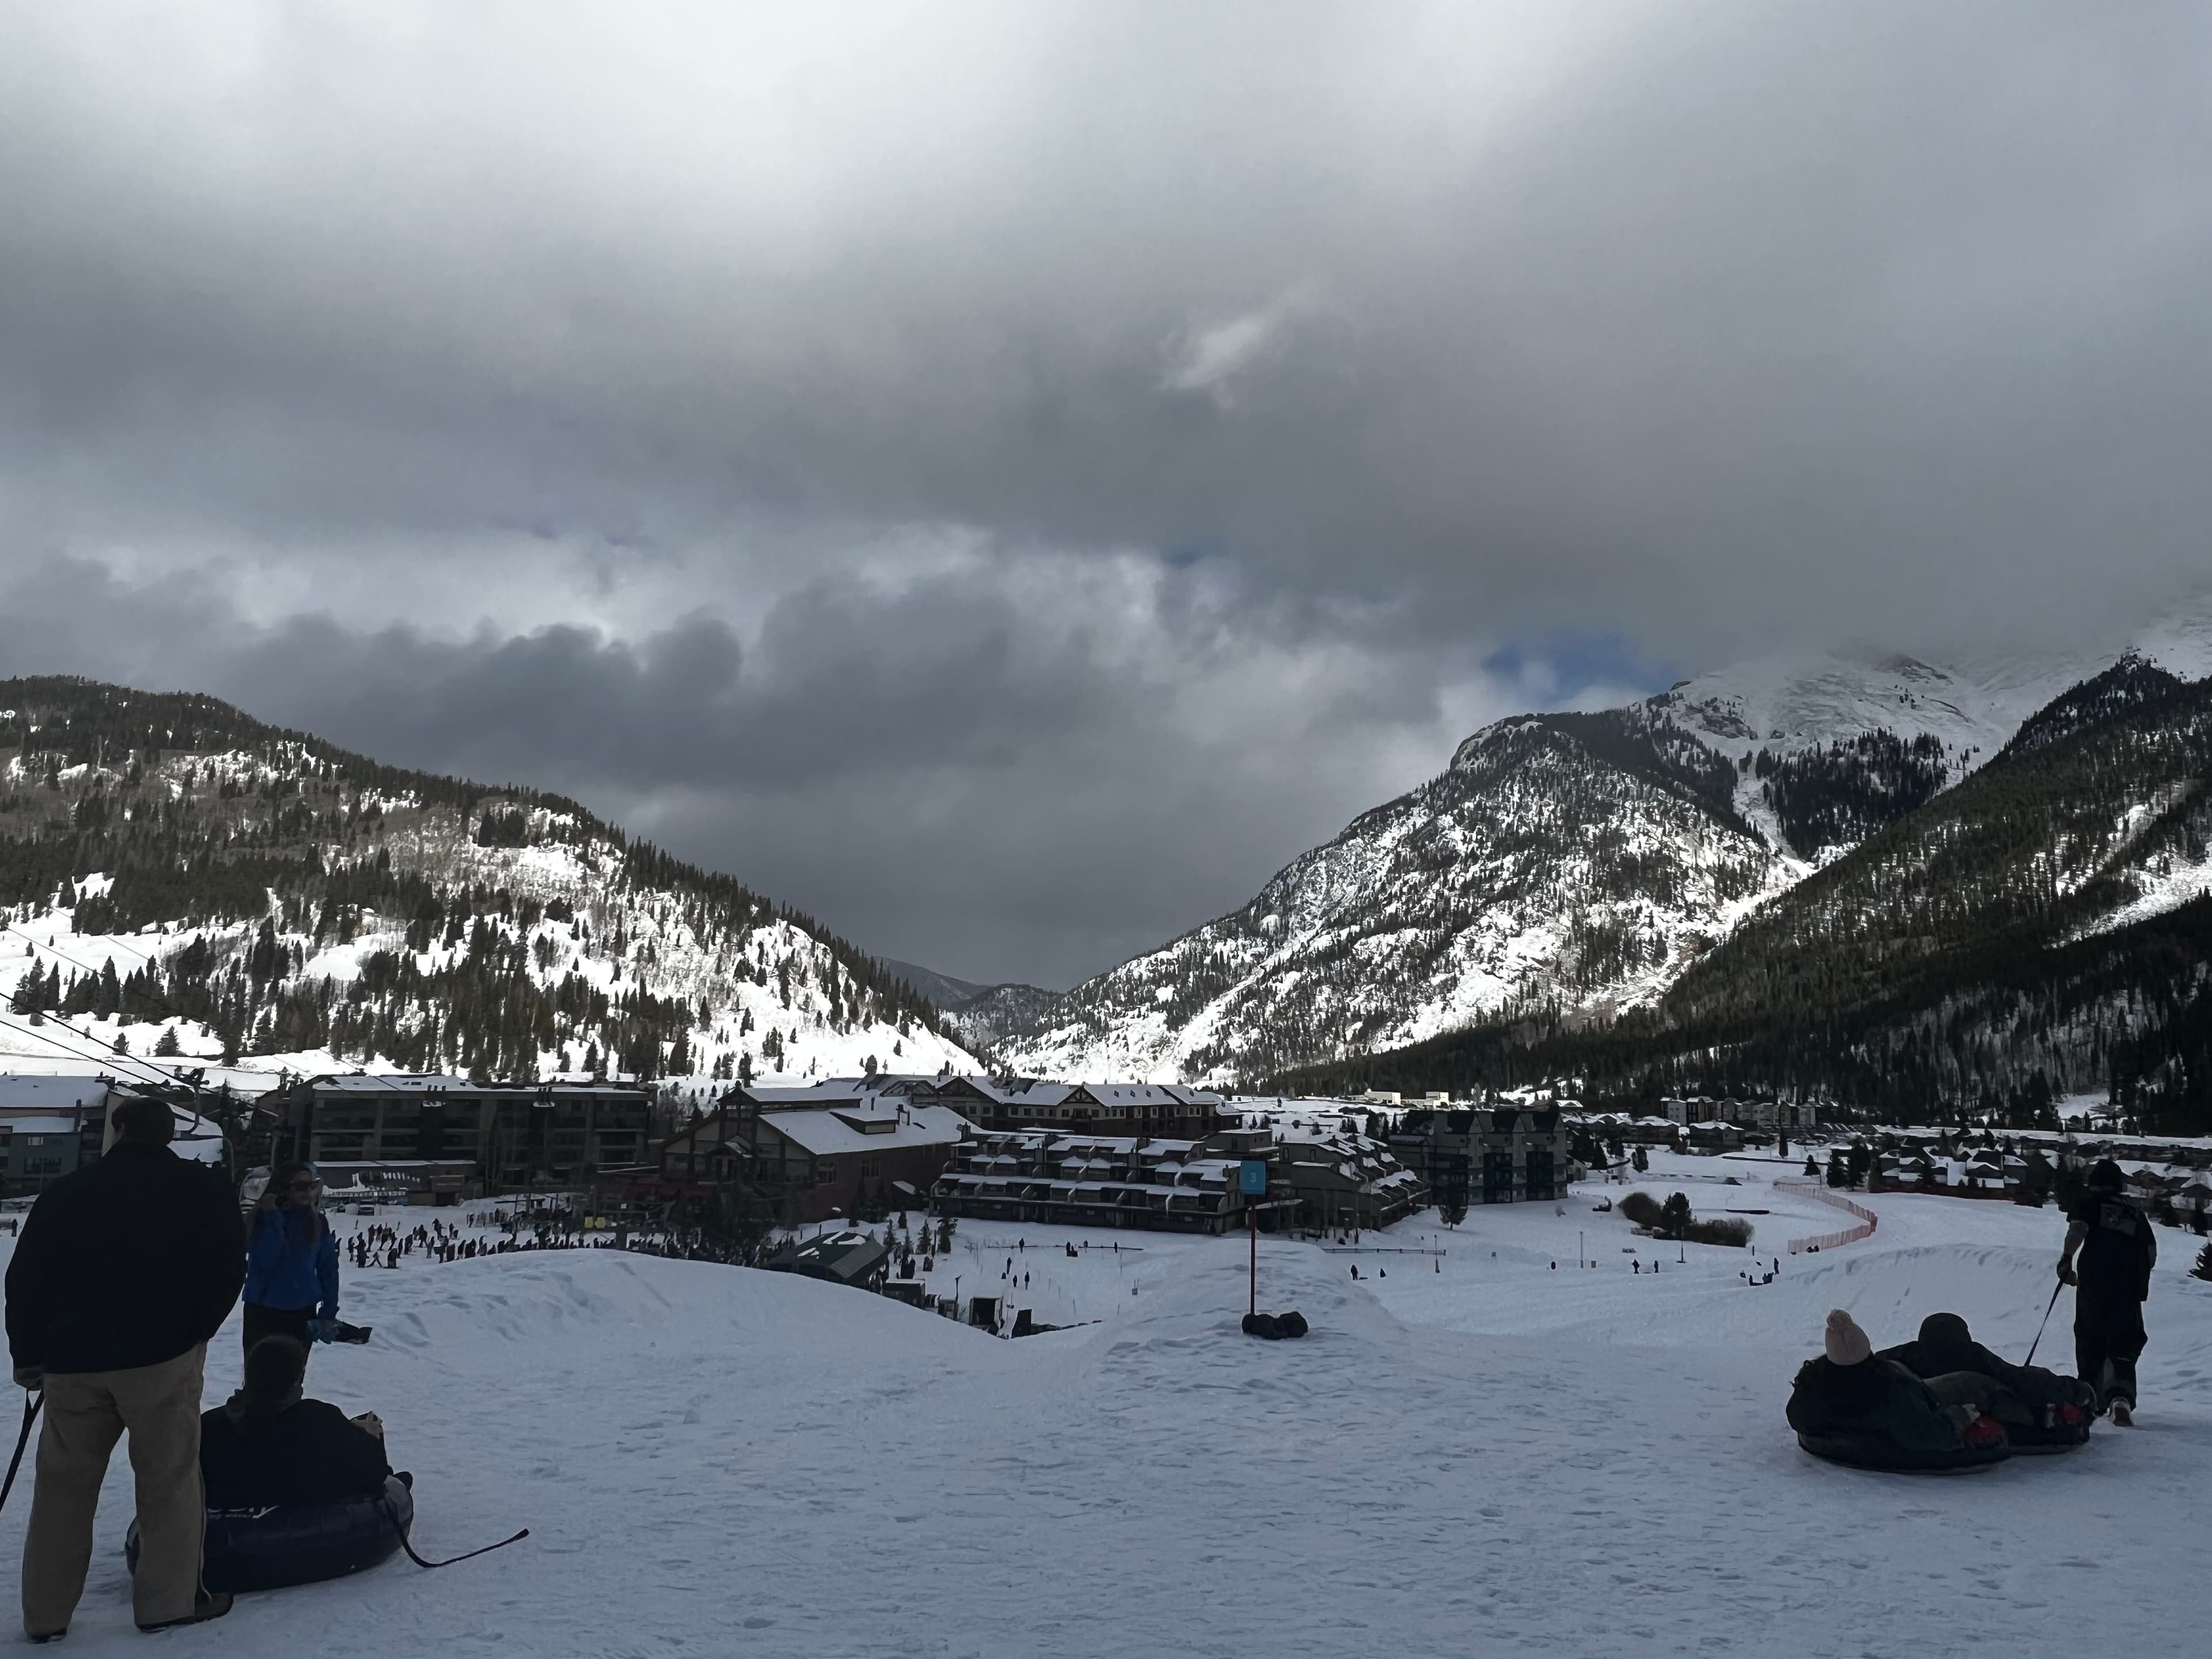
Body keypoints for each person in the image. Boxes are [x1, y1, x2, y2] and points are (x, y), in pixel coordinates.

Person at [4, 1095, 245, 1638]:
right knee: (169, 1483)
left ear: (118, 1132)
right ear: (167, 1136)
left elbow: (25, 1277)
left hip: (73, 1364)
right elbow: (231, 1264)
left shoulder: (68, 1191)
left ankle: (45, 1617)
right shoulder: (203, 1190)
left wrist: (28, 1354)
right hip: (163, 1359)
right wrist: (198, 1327)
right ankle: (166, 1604)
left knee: (61, 1494)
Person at [200, 1338, 391, 1510]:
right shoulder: (319, 1421)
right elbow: (374, 1475)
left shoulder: (210, 1425)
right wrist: (371, 1439)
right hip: (303, 1535)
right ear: (298, 1378)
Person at [1787, 1309, 2005, 1460]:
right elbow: (1924, 1432)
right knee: (1970, 1383)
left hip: (1907, 1398)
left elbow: (1797, 1414)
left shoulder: (1815, 1384)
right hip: (1925, 1400)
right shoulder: (1886, 1391)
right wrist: (1961, 1415)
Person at [2058, 1159, 2156, 1425]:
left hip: (2095, 1281)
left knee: (2091, 1336)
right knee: (2125, 1339)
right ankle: (2120, 1397)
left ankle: (2091, 1398)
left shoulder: (2089, 1202)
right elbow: (2150, 1252)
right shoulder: (2134, 1212)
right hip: (2129, 1288)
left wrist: (2067, 1260)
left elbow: (2078, 1230)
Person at [244, 1161, 341, 1359]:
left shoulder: (317, 1223)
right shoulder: (260, 1220)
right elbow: (266, 1259)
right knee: (259, 1377)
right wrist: (272, 1215)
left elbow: (328, 1268)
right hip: (263, 1312)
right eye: (300, 1186)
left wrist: (329, 1311)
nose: (308, 1191)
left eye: (311, 1185)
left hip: (302, 1313)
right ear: (282, 1189)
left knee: (293, 1378)